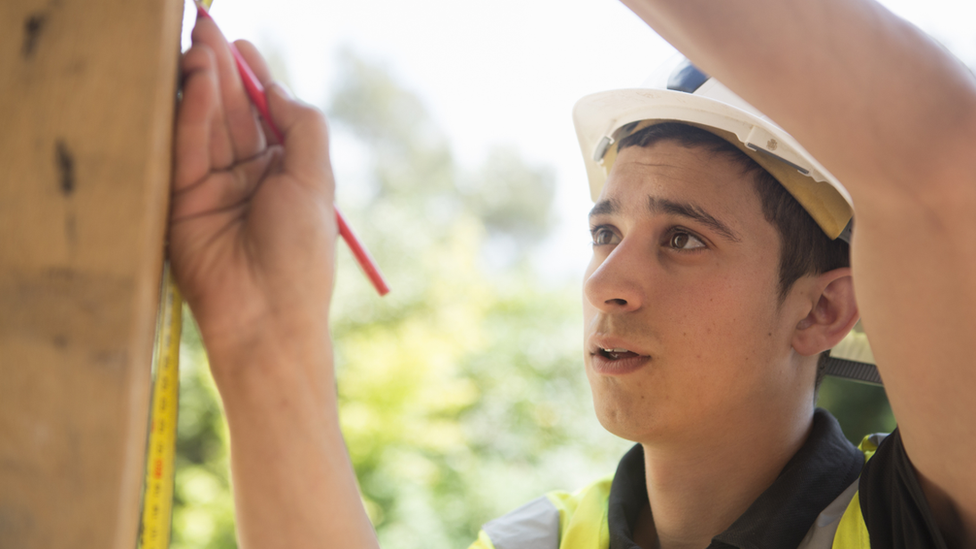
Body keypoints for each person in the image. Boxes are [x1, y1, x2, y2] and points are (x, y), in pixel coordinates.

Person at [169, 0, 976, 548]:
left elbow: (943, 164)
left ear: (824, 308)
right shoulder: (538, 542)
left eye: (684, 239)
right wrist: (257, 333)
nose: (605, 283)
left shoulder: (913, 520)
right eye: (605, 231)